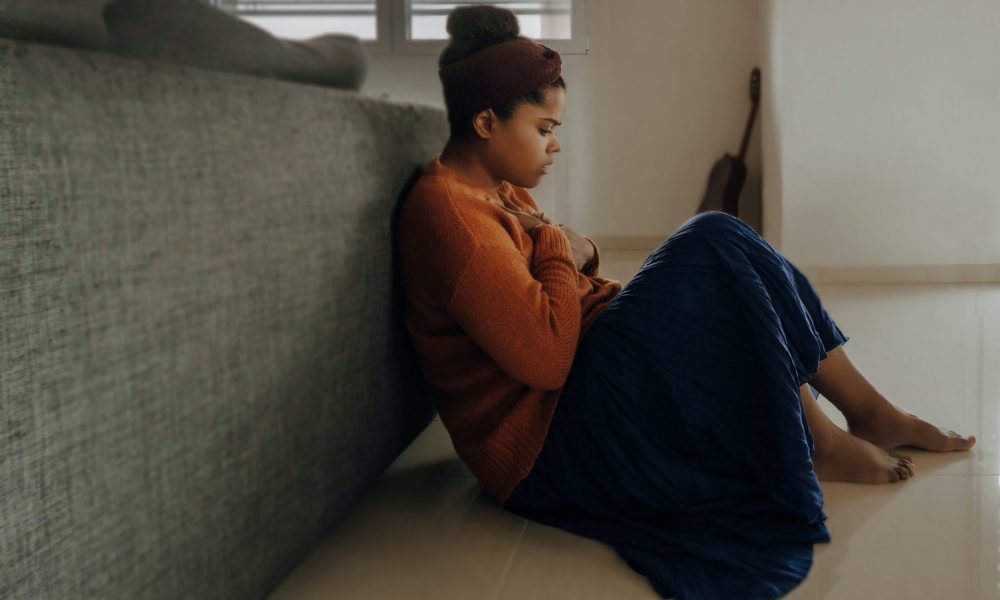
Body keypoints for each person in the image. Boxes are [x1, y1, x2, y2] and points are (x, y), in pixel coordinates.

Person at [394, 5, 976, 599]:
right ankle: (821, 442)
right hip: (545, 443)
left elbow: (568, 273)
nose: (555, 146)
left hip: (578, 382)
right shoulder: (451, 218)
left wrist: (580, 251)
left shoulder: (498, 188)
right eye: (544, 129)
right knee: (711, 242)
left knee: (719, 241)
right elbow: (546, 358)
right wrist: (553, 244)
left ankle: (870, 412)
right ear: (488, 122)